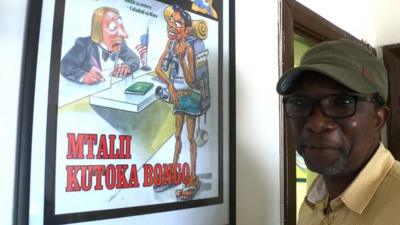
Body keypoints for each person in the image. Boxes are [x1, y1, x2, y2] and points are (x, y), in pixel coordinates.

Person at [276, 39, 400, 224]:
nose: (316, 124)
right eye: (300, 103)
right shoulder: (311, 205)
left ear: (378, 119)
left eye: (342, 102)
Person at [155, 5, 200, 201]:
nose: (172, 24)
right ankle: (174, 172)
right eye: (171, 21)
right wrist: (170, 85)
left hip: (190, 97)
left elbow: (192, 81)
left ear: (187, 30)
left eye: (178, 22)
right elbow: (158, 68)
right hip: (178, 96)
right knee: (177, 136)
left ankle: (192, 177)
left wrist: (182, 59)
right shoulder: (170, 44)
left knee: (190, 138)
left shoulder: (188, 48)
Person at [61, 7, 140, 84]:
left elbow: (134, 58)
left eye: (120, 26)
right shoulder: (84, 44)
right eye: (113, 27)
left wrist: (127, 66)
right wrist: (84, 76)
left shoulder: (120, 43)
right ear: (98, 30)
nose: (123, 34)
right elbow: (65, 66)